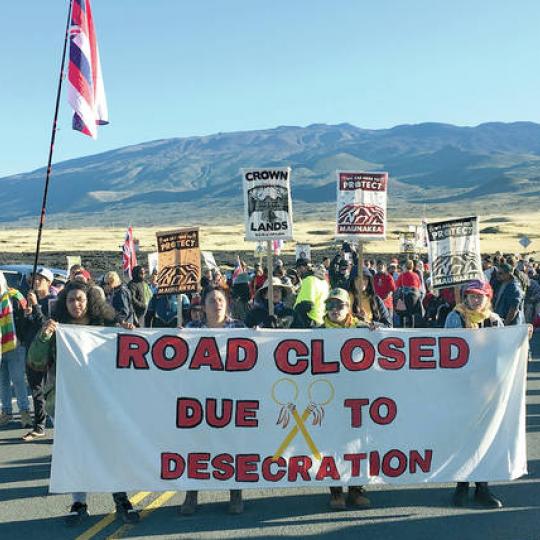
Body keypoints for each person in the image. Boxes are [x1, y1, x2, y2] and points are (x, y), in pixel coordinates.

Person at [26, 280, 140, 526]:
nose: (75, 304)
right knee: (75, 451)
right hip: (66, 403)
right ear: (64, 303)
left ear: (90, 302)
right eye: (70, 300)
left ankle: (120, 497)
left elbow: (129, 357)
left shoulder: (106, 328)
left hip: (102, 401)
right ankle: (79, 503)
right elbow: (35, 362)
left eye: (80, 299)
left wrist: (128, 332)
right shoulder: (57, 329)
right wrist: (44, 336)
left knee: (110, 450)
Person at [180, 286, 246, 515]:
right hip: (199, 397)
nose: (217, 304)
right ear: (203, 306)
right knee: (197, 445)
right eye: (211, 300)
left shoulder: (239, 327)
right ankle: (191, 493)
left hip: (231, 396)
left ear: (226, 304)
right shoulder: (192, 329)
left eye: (220, 300)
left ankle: (235, 492)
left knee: (232, 445)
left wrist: (260, 334)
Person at [444, 279, 506, 509]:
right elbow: (446, 346)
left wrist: (524, 334)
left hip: (486, 388)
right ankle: (461, 485)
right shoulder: (455, 317)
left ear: (487, 298)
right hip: (461, 386)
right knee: (462, 437)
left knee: (484, 437)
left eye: (479, 295)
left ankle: (482, 486)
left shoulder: (494, 320)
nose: (475, 299)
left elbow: (506, 347)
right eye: (471, 295)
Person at [322, 288, 373, 510]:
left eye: (339, 305)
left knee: (358, 444)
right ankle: (336, 492)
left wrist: (376, 329)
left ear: (349, 307)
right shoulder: (316, 331)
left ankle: (356, 489)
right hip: (330, 397)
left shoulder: (362, 329)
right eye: (330, 305)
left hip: (357, 397)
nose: (334, 310)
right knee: (332, 444)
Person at [22, 267, 57, 441]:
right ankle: (39, 425)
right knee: (35, 389)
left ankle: (44, 424)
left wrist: (36, 306)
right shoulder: (31, 301)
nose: (36, 282)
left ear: (49, 283)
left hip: (46, 353)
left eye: (40, 279)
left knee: (46, 390)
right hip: (31, 351)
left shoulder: (53, 302)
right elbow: (26, 329)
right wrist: (27, 313)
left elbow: (47, 325)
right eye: (34, 279)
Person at [0, 271, 32, 428]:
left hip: (15, 345)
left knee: (18, 380)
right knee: (2, 382)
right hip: (0, 348)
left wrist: (21, 338)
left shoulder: (15, 296)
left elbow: (26, 318)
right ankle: (6, 412)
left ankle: (24, 412)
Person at [293, 261, 329, 328]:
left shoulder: (309, 280)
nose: (297, 272)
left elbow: (306, 304)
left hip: (309, 321)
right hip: (320, 321)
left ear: (304, 268)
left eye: (298, 268)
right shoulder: (324, 282)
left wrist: (294, 314)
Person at [395, 260, 423, 328]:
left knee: (401, 314)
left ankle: (401, 328)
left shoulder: (402, 276)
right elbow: (419, 286)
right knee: (411, 314)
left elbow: (397, 286)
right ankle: (411, 328)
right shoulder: (416, 275)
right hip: (414, 299)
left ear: (405, 266)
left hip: (404, 298)